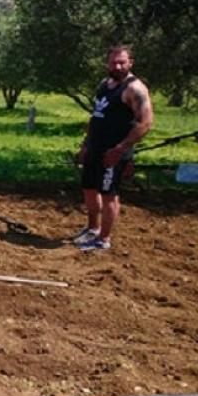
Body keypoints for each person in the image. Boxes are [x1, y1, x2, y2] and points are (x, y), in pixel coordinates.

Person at [73, 45, 154, 251]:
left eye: (122, 62)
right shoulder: (104, 85)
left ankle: (103, 239)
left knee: (109, 194)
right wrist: (86, 145)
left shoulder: (134, 89)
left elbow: (145, 123)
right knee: (89, 188)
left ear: (130, 63)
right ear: (107, 64)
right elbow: (96, 117)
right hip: (95, 147)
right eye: (113, 62)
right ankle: (92, 228)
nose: (117, 66)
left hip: (114, 151)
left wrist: (121, 149)